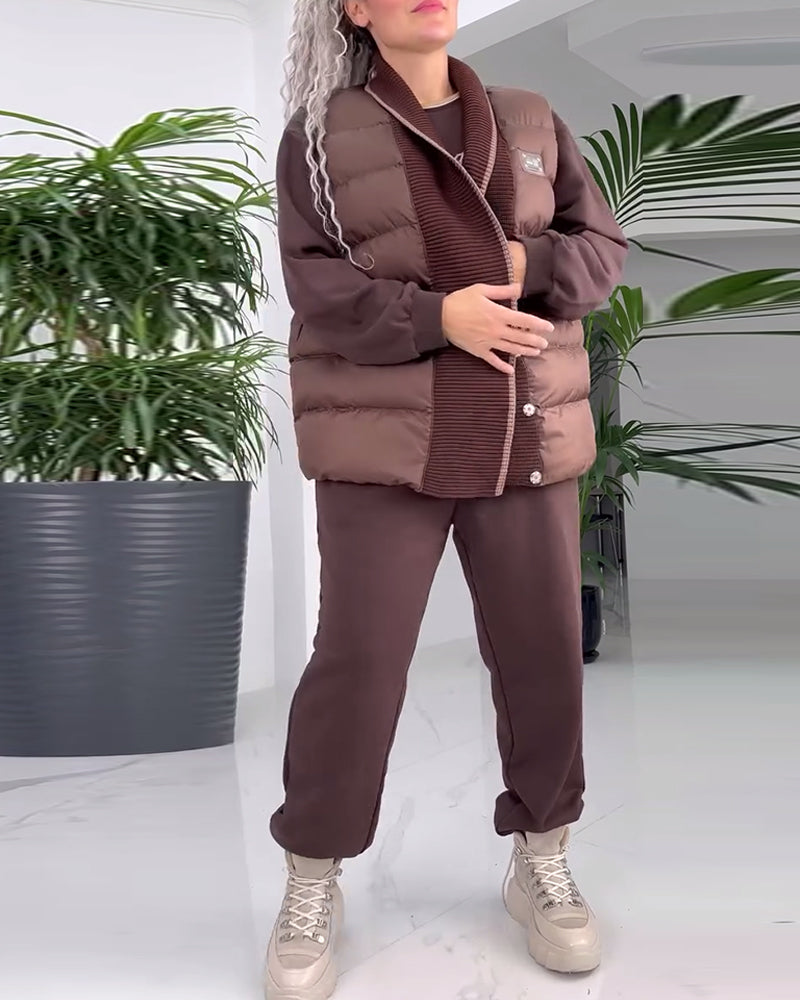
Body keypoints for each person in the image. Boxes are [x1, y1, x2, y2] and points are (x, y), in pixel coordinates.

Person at [266, 1, 628, 997]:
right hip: (380, 441)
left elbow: (598, 249)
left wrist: (525, 265)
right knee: (358, 661)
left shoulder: (529, 117)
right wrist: (440, 317)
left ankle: (541, 856)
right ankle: (312, 874)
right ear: (354, 8)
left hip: (526, 433)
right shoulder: (320, 134)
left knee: (542, 649)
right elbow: (316, 285)